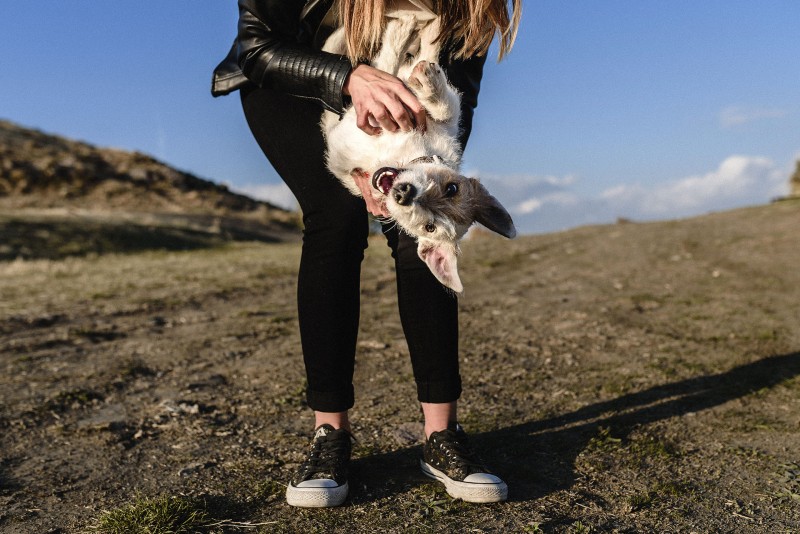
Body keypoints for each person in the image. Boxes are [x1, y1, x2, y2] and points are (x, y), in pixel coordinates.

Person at [212, 0, 521, 507]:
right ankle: (329, 435)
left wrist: (426, 165)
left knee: (419, 232)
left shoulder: (474, 4)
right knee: (335, 219)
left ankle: (442, 436)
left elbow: (460, 90)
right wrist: (348, 78)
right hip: (293, 74)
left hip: (406, 86)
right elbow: (257, 47)